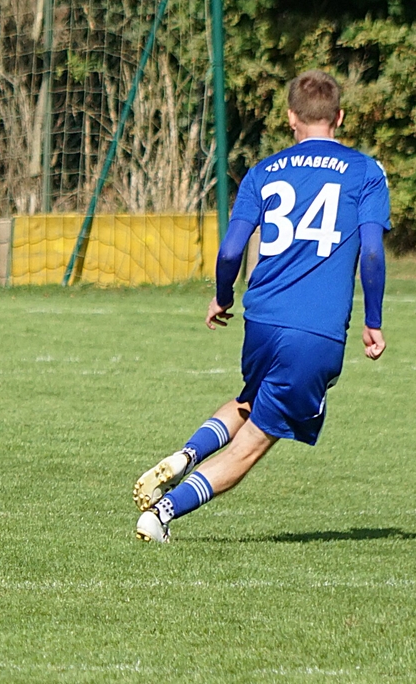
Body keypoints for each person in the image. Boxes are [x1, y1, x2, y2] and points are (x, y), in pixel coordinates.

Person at [132, 70, 389, 542]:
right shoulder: (366, 172)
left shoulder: (264, 171)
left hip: (262, 320)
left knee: (249, 400)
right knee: (252, 444)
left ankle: (189, 453)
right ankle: (162, 514)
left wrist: (222, 295)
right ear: (339, 117)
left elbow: (231, 249)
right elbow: (372, 252)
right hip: (316, 331)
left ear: (291, 117)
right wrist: (373, 321)